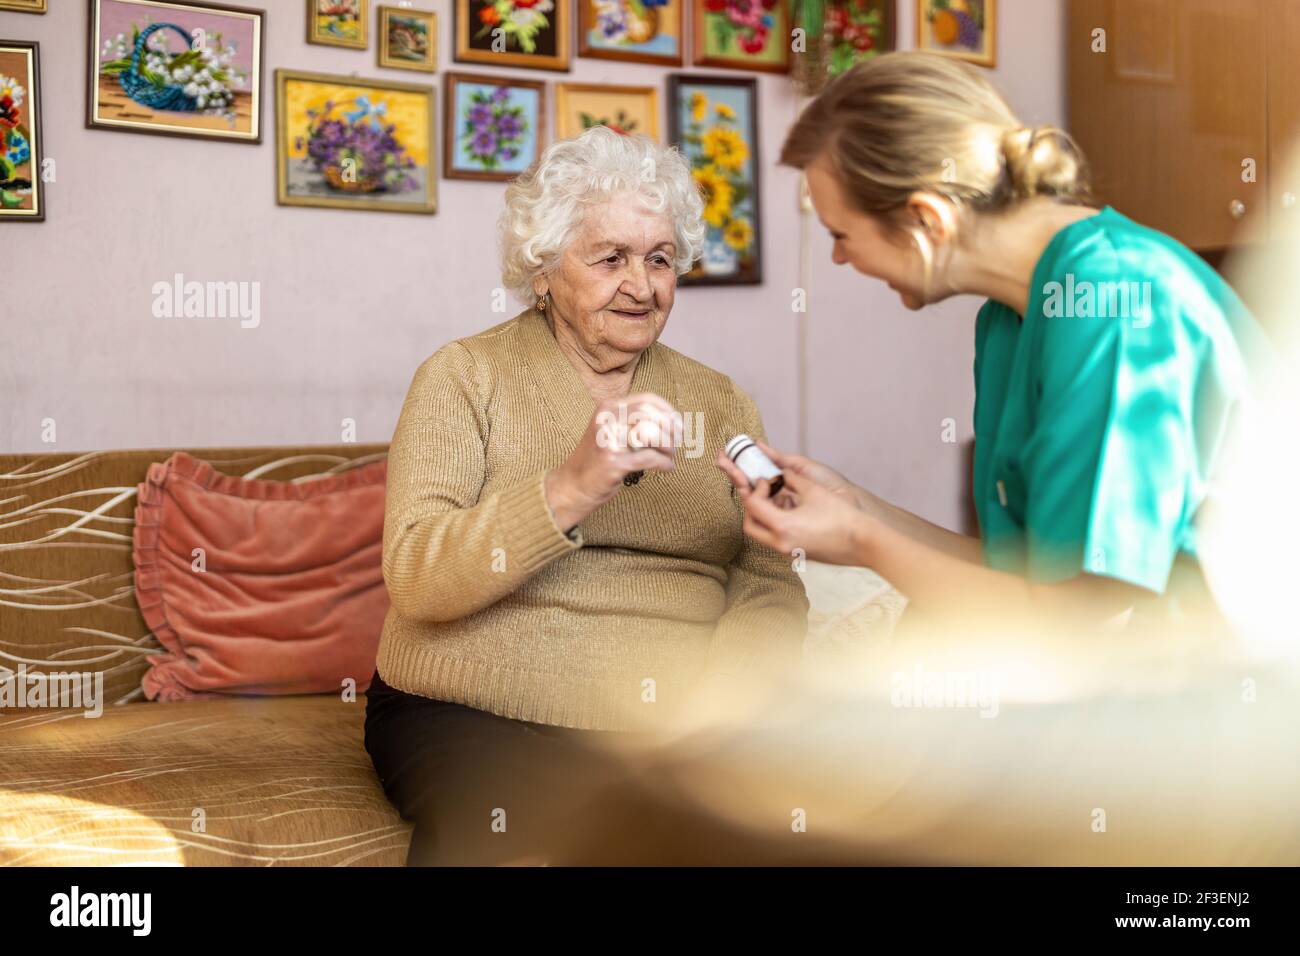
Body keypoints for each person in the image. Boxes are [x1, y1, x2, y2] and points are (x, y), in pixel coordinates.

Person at [364, 126, 809, 865]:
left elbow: (769, 578)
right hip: (477, 711)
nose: (642, 285)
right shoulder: (464, 377)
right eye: (610, 258)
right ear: (543, 270)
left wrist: (723, 709)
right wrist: (569, 489)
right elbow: (416, 575)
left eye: (660, 259)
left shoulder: (721, 402)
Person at [718, 51, 1261, 634]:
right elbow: (1024, 580)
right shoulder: (1007, 319)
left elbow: (1068, 626)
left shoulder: (1118, 302)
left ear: (926, 219)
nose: (839, 257)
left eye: (841, 234)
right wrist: (858, 510)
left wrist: (860, 541)